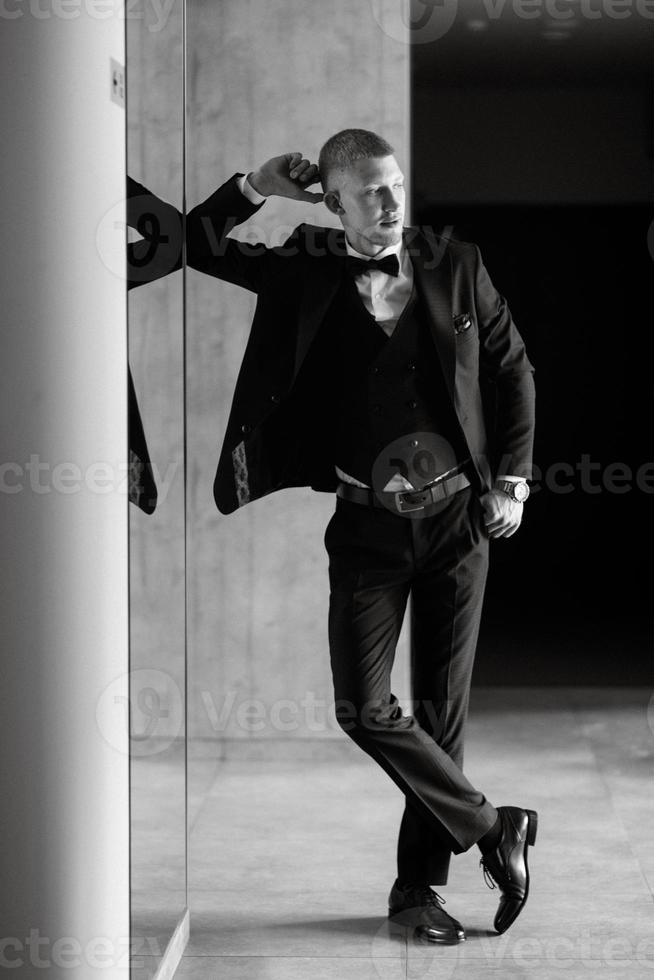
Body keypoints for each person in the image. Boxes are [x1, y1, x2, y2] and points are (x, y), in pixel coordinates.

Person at [185, 129, 537, 944]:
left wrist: (513, 481)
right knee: (364, 705)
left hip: (458, 519)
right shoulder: (304, 265)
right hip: (365, 525)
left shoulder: (458, 262)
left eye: (396, 185)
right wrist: (255, 185)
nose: (390, 204)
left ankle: (418, 890)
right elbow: (192, 246)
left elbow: (513, 367)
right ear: (334, 200)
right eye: (369, 192)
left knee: (441, 713)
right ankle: (494, 828)